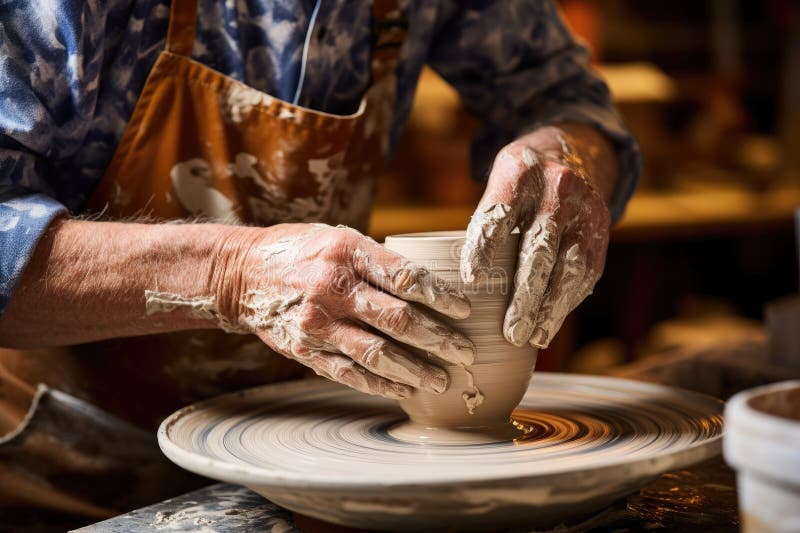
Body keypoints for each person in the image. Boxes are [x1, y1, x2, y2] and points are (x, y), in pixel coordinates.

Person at [0, 0, 640, 526]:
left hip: (316, 452)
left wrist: (571, 155)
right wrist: (234, 274)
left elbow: (563, 96)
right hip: (66, 452)